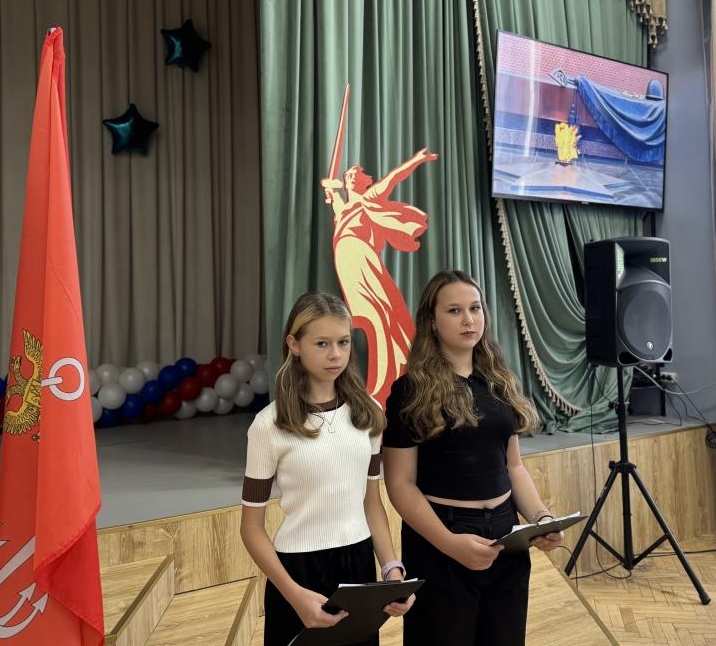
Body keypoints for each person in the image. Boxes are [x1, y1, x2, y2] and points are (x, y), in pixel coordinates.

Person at [383, 270, 563, 645]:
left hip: (506, 538)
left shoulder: (500, 381)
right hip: (441, 539)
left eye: (475, 308)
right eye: (454, 310)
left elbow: (514, 467)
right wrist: (450, 543)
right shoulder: (409, 391)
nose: (468, 319)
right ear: (432, 321)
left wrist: (541, 518)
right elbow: (400, 484)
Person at [240, 292, 414, 646]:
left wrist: (391, 568)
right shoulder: (267, 425)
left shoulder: (368, 413)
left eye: (343, 342)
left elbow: (371, 503)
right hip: (296, 573)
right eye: (322, 343)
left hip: (359, 565)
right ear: (294, 345)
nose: (336, 354)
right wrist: (293, 594)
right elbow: (251, 528)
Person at [320, 147, 438, 401]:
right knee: (368, 316)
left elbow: (393, 177)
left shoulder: (369, 198)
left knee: (382, 315)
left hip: (362, 256)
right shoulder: (343, 208)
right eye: (349, 175)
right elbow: (334, 199)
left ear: (363, 182)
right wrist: (330, 189)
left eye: (355, 174)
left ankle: (392, 379)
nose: (351, 177)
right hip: (346, 258)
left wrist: (416, 160)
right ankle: (382, 380)